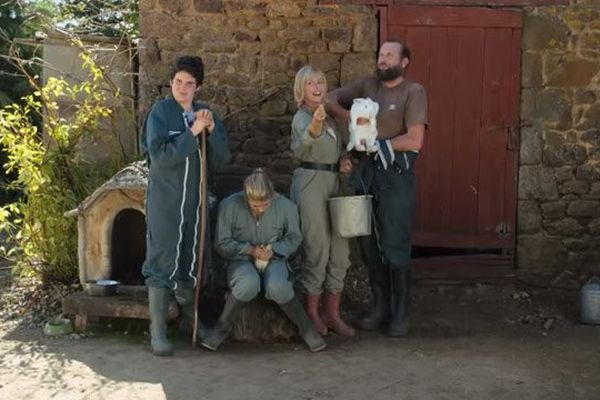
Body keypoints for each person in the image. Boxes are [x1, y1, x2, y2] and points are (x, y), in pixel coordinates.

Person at [327, 40, 428, 337]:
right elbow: (332, 97)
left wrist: (374, 144)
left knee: (394, 244)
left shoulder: (414, 92)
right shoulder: (368, 86)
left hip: (396, 174)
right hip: (366, 173)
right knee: (369, 244)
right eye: (381, 55)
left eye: (390, 55)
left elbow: (414, 139)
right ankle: (380, 308)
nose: (383, 60)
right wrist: (349, 117)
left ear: (405, 61)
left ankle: (400, 314)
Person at [140, 55, 231, 356]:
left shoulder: (205, 114)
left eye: (189, 84)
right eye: (178, 82)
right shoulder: (160, 113)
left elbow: (223, 158)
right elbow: (160, 157)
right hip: (166, 201)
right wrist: (192, 133)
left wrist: (212, 130)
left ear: (198, 87)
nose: (182, 88)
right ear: (171, 83)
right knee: (162, 259)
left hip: (194, 202)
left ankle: (190, 323)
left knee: (190, 262)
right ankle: (158, 332)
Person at [200, 169, 326, 352]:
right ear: (245, 196)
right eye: (254, 205)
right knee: (247, 283)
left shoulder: (287, 207)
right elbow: (222, 243)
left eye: (265, 205)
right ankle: (221, 328)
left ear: (273, 195)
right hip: (240, 260)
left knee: (278, 286)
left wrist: (274, 250)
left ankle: (306, 328)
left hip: (275, 259)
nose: (260, 209)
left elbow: (294, 239)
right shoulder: (229, 205)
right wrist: (249, 250)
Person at [289, 65, 355, 337]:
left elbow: (334, 149)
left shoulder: (330, 119)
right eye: (310, 83)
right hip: (311, 184)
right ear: (301, 90)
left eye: (320, 82)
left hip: (334, 184)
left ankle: (332, 313)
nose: (317, 87)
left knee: (340, 251)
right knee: (317, 249)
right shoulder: (303, 118)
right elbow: (307, 142)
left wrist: (343, 161)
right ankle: (312, 314)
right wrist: (316, 122)